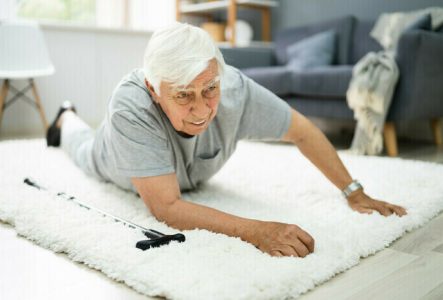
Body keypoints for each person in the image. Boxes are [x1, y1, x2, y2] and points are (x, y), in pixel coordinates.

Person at [46, 22, 407, 258]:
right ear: (153, 90)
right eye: (184, 96)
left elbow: (303, 131)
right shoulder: (131, 105)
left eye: (210, 89)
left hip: (189, 169)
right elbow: (167, 208)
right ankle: (66, 115)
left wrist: (354, 192)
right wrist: (256, 231)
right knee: (79, 144)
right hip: (110, 159)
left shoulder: (235, 88)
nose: (203, 109)